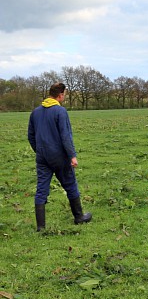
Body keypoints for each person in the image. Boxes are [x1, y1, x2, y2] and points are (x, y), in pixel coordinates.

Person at [27, 82, 92, 232]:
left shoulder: (35, 112)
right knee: (70, 184)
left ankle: (41, 227)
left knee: (41, 189)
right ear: (60, 95)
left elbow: (30, 136)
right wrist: (72, 156)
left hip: (42, 157)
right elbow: (66, 136)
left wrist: (39, 150)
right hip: (59, 157)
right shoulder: (60, 111)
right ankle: (79, 217)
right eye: (65, 95)